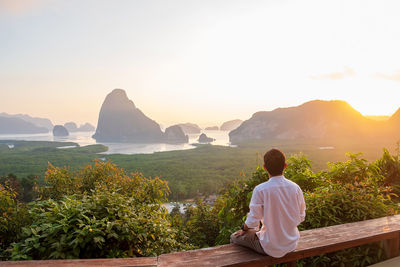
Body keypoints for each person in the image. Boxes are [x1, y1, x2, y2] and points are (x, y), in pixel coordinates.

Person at [230, 148, 306, 258]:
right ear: (285, 166)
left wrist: (243, 229)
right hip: (291, 244)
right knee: (255, 233)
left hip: (269, 246)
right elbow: (301, 216)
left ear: (264, 167)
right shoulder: (295, 188)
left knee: (234, 237)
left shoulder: (261, 189)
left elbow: (253, 220)